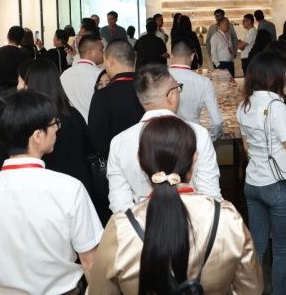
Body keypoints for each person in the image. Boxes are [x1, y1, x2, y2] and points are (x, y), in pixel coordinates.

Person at [89, 117, 262, 294]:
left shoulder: (120, 228)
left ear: (140, 160)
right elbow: (252, 289)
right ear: (194, 158)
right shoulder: (227, 218)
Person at [0, 90, 103, 295]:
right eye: (54, 124)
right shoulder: (69, 189)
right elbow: (90, 263)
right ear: (38, 136)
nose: (57, 129)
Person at [106, 64, 221, 213]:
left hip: (142, 223)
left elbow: (120, 204)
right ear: (171, 94)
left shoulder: (119, 142)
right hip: (194, 220)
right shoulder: (198, 134)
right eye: (178, 88)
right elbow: (211, 196)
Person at [237, 51, 286, 295]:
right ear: (275, 76)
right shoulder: (276, 106)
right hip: (278, 185)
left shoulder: (245, 104)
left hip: (253, 182)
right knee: (283, 250)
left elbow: (247, 148)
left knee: (256, 246)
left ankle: (249, 290)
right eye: (284, 72)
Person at [21, 60, 94, 197]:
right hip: (78, 185)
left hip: (46, 190)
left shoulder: (31, 121)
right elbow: (88, 148)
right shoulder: (73, 114)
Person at [88, 40, 145, 158]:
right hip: (149, 159)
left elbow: (97, 139)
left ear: (109, 61)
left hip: (116, 161)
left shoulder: (102, 96)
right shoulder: (149, 88)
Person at [169, 41, 224, 140]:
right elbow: (217, 121)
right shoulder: (205, 82)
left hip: (164, 139)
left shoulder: (157, 78)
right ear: (192, 56)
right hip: (192, 138)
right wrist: (209, 139)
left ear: (171, 55)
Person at [59, 34, 104, 122]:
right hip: (93, 124)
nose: (104, 52)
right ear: (90, 52)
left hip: (71, 125)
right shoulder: (99, 76)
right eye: (101, 49)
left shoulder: (64, 74)